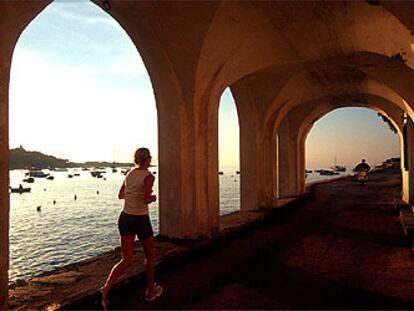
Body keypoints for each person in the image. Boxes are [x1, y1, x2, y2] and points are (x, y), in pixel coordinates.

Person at [101, 148, 162, 309]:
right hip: (140, 219)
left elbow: (121, 195)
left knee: (126, 259)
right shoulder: (149, 177)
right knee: (149, 255)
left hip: (125, 218)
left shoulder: (129, 173)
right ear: (148, 159)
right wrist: (154, 197)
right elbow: (147, 199)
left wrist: (132, 193)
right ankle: (150, 290)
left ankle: (106, 288)